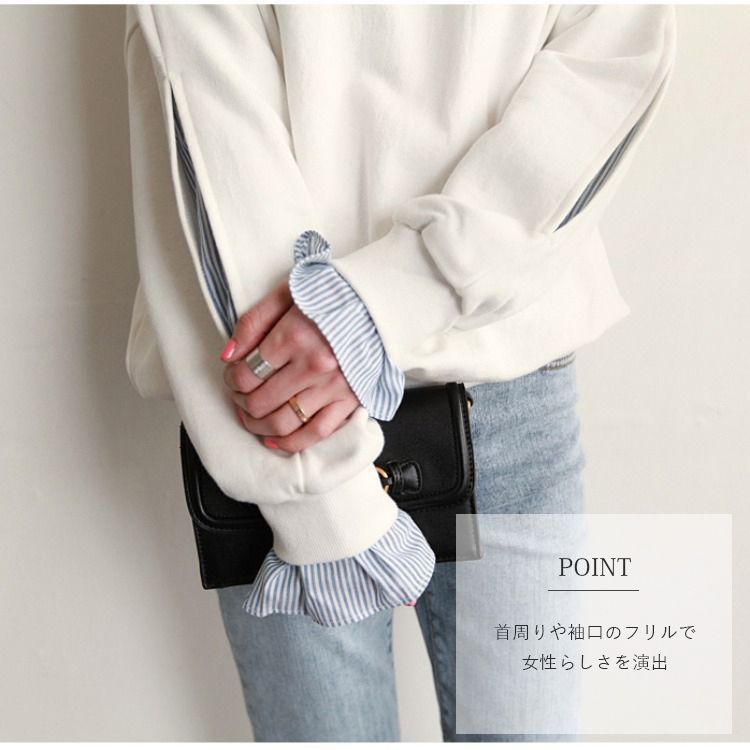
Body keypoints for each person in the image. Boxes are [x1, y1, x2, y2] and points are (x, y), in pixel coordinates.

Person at [123, 4, 676, 741]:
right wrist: (320, 499)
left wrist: (377, 306)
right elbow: (211, 138)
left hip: (489, 394)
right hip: (280, 427)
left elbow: (613, 55)